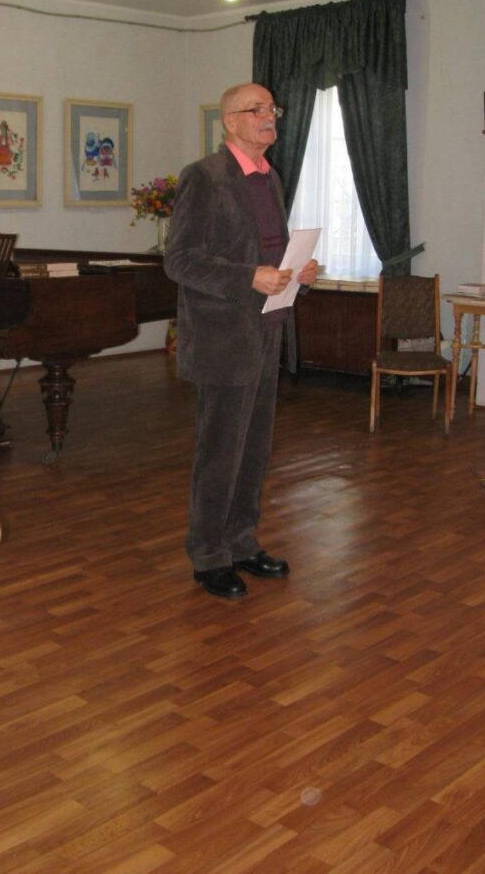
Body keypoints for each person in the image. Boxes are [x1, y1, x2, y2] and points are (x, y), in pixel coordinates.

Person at [163, 82, 318, 600]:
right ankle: (209, 556)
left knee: (254, 448)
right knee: (221, 452)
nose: (269, 117)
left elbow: (269, 250)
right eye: (257, 109)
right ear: (230, 121)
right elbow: (180, 260)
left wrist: (298, 272)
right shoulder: (204, 177)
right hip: (222, 337)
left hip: (267, 328)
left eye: (273, 108)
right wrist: (249, 277)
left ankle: (243, 542)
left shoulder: (269, 177)